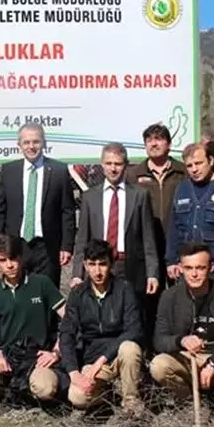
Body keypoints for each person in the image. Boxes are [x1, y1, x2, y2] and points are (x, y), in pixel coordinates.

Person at [69, 143, 160, 340]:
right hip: (99, 265)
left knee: (133, 314)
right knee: (103, 313)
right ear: (102, 165)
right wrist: (78, 273)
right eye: (109, 163)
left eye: (118, 163)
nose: (113, 168)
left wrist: (152, 273)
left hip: (130, 265)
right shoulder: (90, 197)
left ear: (126, 165)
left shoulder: (140, 195)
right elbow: (82, 238)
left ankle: (136, 356)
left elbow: (148, 238)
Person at [150, 243, 214, 407]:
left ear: (211, 267)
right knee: (159, 365)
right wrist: (180, 341)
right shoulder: (169, 297)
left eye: (200, 268)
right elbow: (159, 339)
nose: (194, 274)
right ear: (180, 268)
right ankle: (188, 399)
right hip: (186, 359)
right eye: (188, 268)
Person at [0, 235, 67, 404]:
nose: (9, 265)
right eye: (2, 260)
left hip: (39, 356)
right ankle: (7, 388)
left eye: (13, 258)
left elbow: (70, 319)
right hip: (9, 355)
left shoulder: (41, 283)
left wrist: (56, 352)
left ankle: (30, 392)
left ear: (20, 257)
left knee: (45, 389)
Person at [59, 240, 143, 413]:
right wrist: (74, 372)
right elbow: (66, 334)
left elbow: (134, 329)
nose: (97, 271)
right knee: (77, 397)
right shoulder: (78, 294)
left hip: (118, 355)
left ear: (111, 264)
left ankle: (131, 405)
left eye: (103, 264)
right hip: (92, 358)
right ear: (85, 265)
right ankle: (106, 393)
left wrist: (103, 359)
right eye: (92, 265)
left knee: (130, 348)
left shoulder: (124, 289)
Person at [0, 123, 77, 287]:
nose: (31, 146)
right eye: (26, 142)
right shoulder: (9, 171)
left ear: (44, 143)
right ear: (19, 145)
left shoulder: (59, 171)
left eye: (36, 142)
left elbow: (67, 211)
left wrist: (66, 246)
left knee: (46, 294)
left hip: (47, 247)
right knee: (18, 293)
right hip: (16, 246)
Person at [166, 144, 214, 283]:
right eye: (189, 166)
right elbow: (174, 228)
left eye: (199, 163)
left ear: (211, 161)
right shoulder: (182, 188)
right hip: (187, 266)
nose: (194, 169)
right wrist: (172, 260)